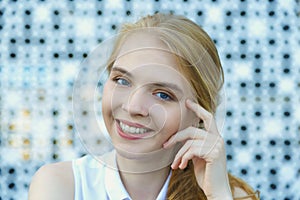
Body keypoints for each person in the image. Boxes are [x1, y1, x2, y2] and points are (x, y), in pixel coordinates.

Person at [28, 13, 259, 200]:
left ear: (199, 115)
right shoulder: (60, 186)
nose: (133, 106)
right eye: (122, 80)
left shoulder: (231, 196)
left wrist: (217, 195)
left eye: (163, 95)